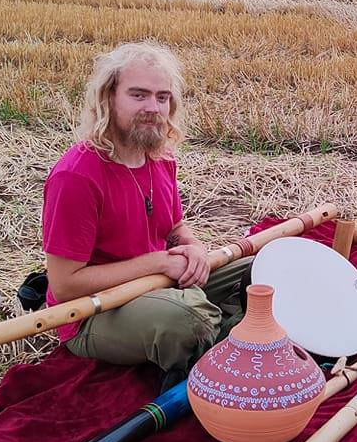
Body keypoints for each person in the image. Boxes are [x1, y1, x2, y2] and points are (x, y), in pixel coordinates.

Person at [41, 41, 251, 386]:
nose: (153, 107)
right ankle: (229, 347)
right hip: (95, 311)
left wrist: (194, 248)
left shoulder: (160, 158)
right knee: (186, 322)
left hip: (162, 283)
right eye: (139, 95)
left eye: (162, 97)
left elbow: (175, 228)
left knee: (266, 271)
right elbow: (65, 286)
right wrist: (158, 264)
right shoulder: (76, 176)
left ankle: (232, 337)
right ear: (108, 98)